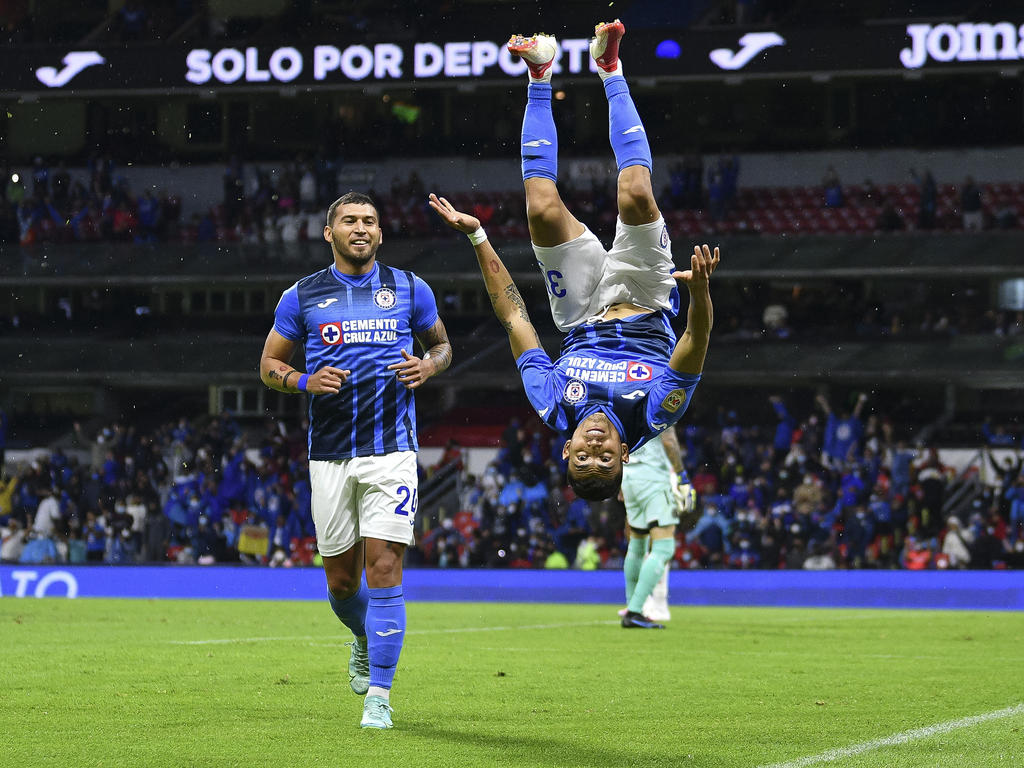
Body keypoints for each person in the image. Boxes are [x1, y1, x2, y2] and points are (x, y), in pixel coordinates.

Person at [428, 20, 718, 502]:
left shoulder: (553, 405)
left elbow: (515, 319)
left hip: (582, 312)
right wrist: (701, 293)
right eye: (605, 459)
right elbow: (696, 339)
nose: (595, 449)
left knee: (540, 209)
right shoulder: (654, 413)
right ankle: (610, 69)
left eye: (584, 456)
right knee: (636, 195)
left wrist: (478, 236)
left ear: (566, 450)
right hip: (647, 299)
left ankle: (539, 76)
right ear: (625, 455)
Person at [259, 191, 451, 730]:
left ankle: (380, 697)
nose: (360, 228)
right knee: (342, 584)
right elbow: (269, 363)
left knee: (384, 568)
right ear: (330, 233)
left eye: (370, 220)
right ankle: (364, 637)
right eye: (349, 220)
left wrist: (429, 368)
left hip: (392, 449)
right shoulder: (302, 297)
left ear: (381, 233)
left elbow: (442, 346)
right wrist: (302, 380)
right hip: (329, 454)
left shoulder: (411, 289)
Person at [618, 427, 694, 629]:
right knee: (664, 547)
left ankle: (634, 607)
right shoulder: (658, 395)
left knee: (637, 543)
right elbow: (668, 440)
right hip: (652, 478)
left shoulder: (621, 398)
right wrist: (681, 475)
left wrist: (618, 478)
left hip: (628, 476)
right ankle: (634, 611)